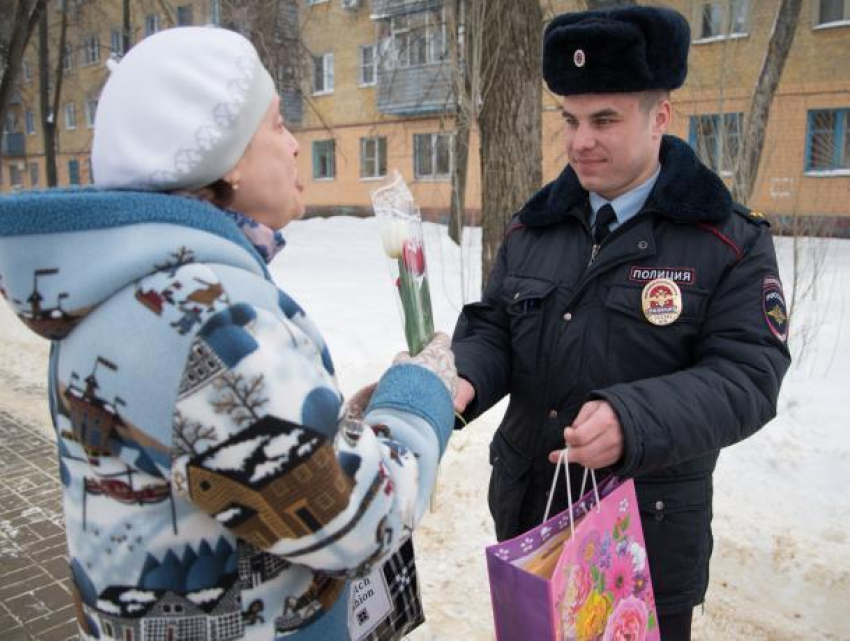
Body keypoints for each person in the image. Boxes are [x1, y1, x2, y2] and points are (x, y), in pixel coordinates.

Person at [0, 27, 456, 640]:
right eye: (276, 125)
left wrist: (336, 429)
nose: (296, 146)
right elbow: (358, 525)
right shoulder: (205, 318)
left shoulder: (122, 288)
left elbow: (219, 453)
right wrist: (417, 400)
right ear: (228, 155)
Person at [452, 6, 791, 639]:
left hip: (643, 545)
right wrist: (459, 377)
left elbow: (749, 375)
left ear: (660, 115)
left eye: (604, 120)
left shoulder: (725, 241)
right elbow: (495, 327)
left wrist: (631, 419)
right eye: (571, 120)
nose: (580, 142)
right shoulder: (536, 227)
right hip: (533, 525)